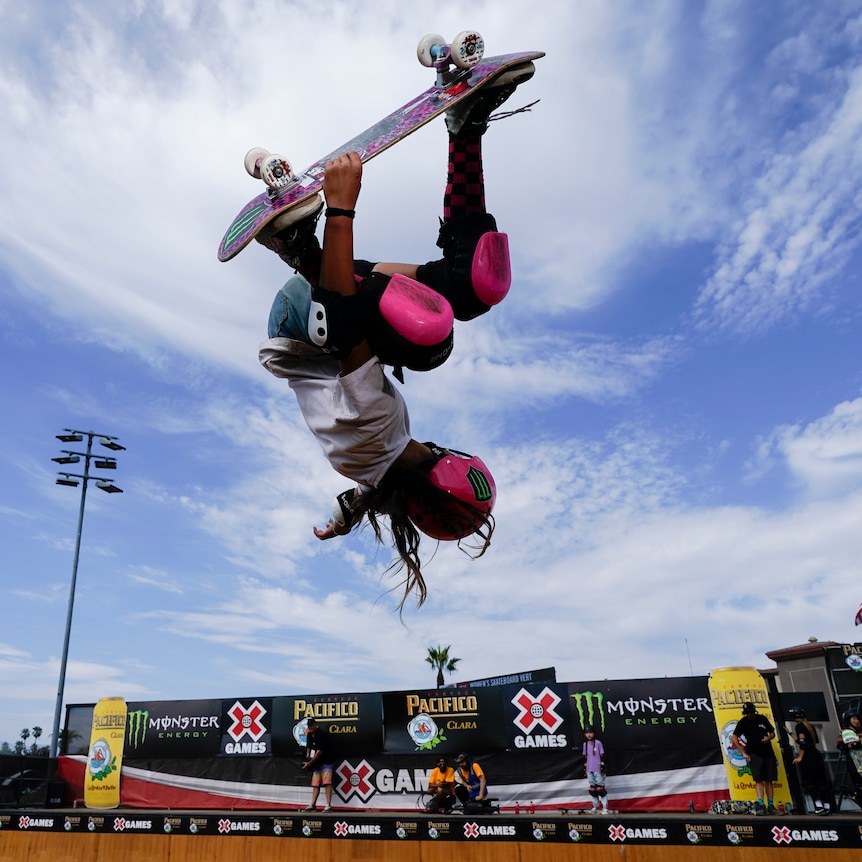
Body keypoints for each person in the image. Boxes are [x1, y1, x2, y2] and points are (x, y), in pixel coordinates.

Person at [255, 63, 536, 609]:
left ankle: (295, 246)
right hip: (322, 317)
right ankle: (465, 129)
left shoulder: (379, 429)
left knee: (430, 335)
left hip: (305, 316)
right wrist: (342, 518)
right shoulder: (381, 465)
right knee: (472, 284)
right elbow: (372, 492)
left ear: (444, 453)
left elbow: (344, 318)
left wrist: (341, 204)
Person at [730, 702, 779, 815]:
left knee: (769, 780)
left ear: (755, 711)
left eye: (751, 712)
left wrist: (768, 738)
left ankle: (771, 806)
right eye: (747, 713)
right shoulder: (743, 722)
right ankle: (761, 805)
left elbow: (772, 732)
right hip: (754, 753)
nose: (750, 715)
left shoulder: (762, 719)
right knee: (758, 780)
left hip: (768, 753)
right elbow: (734, 737)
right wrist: (743, 753)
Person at [787, 706, 832, 814]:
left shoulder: (799, 726)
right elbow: (805, 740)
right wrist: (790, 733)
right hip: (816, 754)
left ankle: (818, 805)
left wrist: (800, 757)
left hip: (808, 757)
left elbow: (803, 743)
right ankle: (827, 805)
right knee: (821, 781)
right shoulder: (809, 726)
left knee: (807, 782)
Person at [301, 718, 334, 811]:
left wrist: (309, 763)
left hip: (326, 760)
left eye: (311, 726)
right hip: (317, 763)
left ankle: (328, 805)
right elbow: (308, 747)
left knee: (327, 782)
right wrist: (308, 757)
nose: (310, 728)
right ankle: (313, 804)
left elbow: (319, 752)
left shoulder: (321, 735)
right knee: (315, 784)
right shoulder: (309, 735)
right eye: (309, 726)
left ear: (315, 725)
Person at [836, 709, 862, 808]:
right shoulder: (847, 732)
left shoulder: (857, 732)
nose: (857, 721)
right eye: (854, 719)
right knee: (859, 785)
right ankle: (852, 793)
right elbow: (852, 745)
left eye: (858, 719)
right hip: (856, 762)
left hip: (859, 762)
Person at [582, 726, 609, 813]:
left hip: (598, 768)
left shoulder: (598, 743)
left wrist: (602, 767)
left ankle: (605, 808)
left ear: (594, 733)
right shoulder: (585, 744)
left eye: (590, 732)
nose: (589, 735)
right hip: (589, 769)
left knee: (600, 788)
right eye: (587, 733)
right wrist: (585, 769)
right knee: (593, 789)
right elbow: (585, 758)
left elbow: (603, 756)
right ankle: (595, 806)